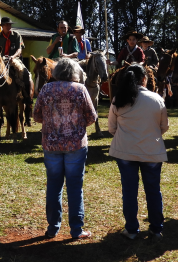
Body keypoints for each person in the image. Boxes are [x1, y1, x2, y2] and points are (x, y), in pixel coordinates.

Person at [33, 58, 97, 240]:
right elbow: (92, 117)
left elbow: (36, 115)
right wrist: (77, 124)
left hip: (51, 144)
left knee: (54, 185)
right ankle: (76, 229)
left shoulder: (46, 89)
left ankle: (53, 227)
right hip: (76, 145)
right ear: (75, 72)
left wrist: (51, 122)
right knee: (75, 186)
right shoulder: (80, 89)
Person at [108, 63, 169, 239]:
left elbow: (112, 128)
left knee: (129, 191)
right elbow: (163, 127)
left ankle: (132, 229)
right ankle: (156, 228)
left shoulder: (118, 99)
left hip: (125, 152)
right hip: (151, 152)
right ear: (145, 79)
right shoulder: (156, 99)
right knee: (153, 190)